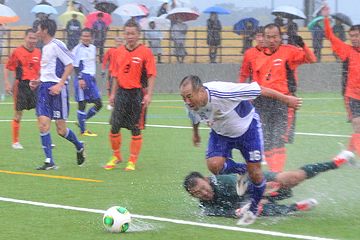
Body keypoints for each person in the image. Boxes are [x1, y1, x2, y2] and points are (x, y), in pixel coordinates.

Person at [179, 75, 302, 225]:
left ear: (201, 91)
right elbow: (194, 117)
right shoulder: (190, 104)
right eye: (183, 97)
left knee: (256, 175)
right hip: (221, 133)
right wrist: (196, 134)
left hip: (248, 129)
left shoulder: (223, 92)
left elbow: (259, 89)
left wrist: (287, 100)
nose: (187, 101)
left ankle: (253, 209)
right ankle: (243, 169)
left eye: (189, 96)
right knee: (214, 166)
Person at [183, 150, 354, 220]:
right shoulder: (205, 208)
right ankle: (296, 207)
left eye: (204, 187)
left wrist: (261, 193)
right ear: (193, 195)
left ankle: (336, 162)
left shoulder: (222, 181)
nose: (204, 193)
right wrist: (239, 211)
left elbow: (248, 183)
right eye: (198, 193)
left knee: (295, 177)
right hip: (252, 201)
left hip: (260, 183)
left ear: (207, 179)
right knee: (255, 210)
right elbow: (226, 214)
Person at [250, 23, 316, 172]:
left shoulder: (288, 51)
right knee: (265, 141)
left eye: (275, 37)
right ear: (264, 38)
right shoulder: (258, 57)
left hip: (282, 102)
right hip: (262, 103)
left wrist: (302, 45)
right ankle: (273, 177)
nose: (271, 40)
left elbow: (311, 59)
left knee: (278, 140)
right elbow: (255, 84)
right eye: (268, 37)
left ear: (280, 37)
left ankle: (276, 176)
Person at [31, 18, 86, 170]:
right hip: (44, 90)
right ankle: (49, 161)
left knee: (61, 130)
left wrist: (60, 84)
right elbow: (48, 72)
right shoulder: (45, 48)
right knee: (43, 125)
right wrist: (38, 80)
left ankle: (79, 145)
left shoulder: (57, 45)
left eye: (38, 29)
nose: (36, 32)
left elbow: (70, 64)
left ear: (45, 31)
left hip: (57, 91)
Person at [105, 19, 156, 171]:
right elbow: (115, 75)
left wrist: (149, 95)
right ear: (124, 34)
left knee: (135, 128)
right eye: (127, 33)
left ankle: (132, 160)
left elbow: (152, 74)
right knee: (114, 127)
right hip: (121, 93)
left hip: (137, 93)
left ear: (138, 34)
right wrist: (113, 94)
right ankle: (116, 156)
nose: (130, 36)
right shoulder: (118, 52)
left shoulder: (145, 52)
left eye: (133, 33)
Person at [322, 5, 360, 159]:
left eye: (357, 35)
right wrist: (326, 18)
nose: (354, 38)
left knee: (359, 130)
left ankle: (346, 156)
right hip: (352, 95)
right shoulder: (347, 51)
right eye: (352, 36)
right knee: (358, 125)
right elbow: (330, 35)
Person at [3, 29, 41, 149]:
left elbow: (41, 69)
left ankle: (45, 139)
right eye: (30, 38)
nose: (32, 41)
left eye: (34, 38)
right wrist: (7, 83)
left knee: (41, 114)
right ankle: (15, 141)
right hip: (21, 85)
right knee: (18, 115)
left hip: (35, 85)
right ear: (25, 38)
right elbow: (7, 67)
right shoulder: (17, 52)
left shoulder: (38, 52)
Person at [72, 28, 102, 137]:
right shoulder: (77, 49)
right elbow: (75, 65)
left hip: (91, 78)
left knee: (99, 104)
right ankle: (83, 130)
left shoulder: (93, 48)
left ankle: (81, 121)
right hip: (82, 77)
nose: (85, 38)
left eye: (87, 36)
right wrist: (80, 79)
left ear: (91, 37)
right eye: (83, 36)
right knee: (82, 104)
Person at [102, 36, 124, 110]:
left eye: (120, 42)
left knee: (121, 88)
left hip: (122, 73)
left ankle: (120, 103)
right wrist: (103, 69)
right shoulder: (111, 51)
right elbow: (105, 59)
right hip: (112, 72)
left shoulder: (125, 51)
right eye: (118, 41)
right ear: (115, 42)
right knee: (111, 88)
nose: (119, 43)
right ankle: (111, 102)